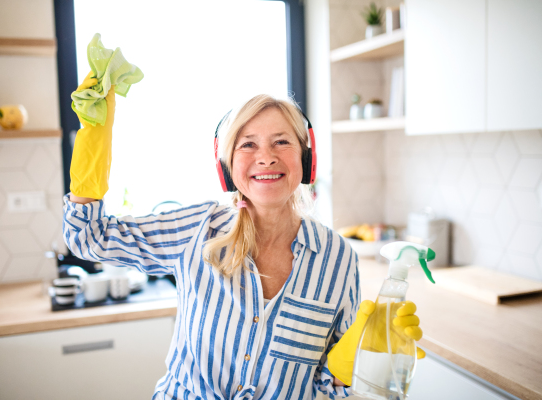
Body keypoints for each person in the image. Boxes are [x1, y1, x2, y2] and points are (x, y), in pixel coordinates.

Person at [64, 74, 423, 399]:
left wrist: (353, 369)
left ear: (305, 157)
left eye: (281, 142)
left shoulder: (337, 257)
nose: (266, 158)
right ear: (227, 166)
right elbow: (89, 237)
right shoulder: (197, 229)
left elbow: (329, 384)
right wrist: (93, 138)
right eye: (247, 145)